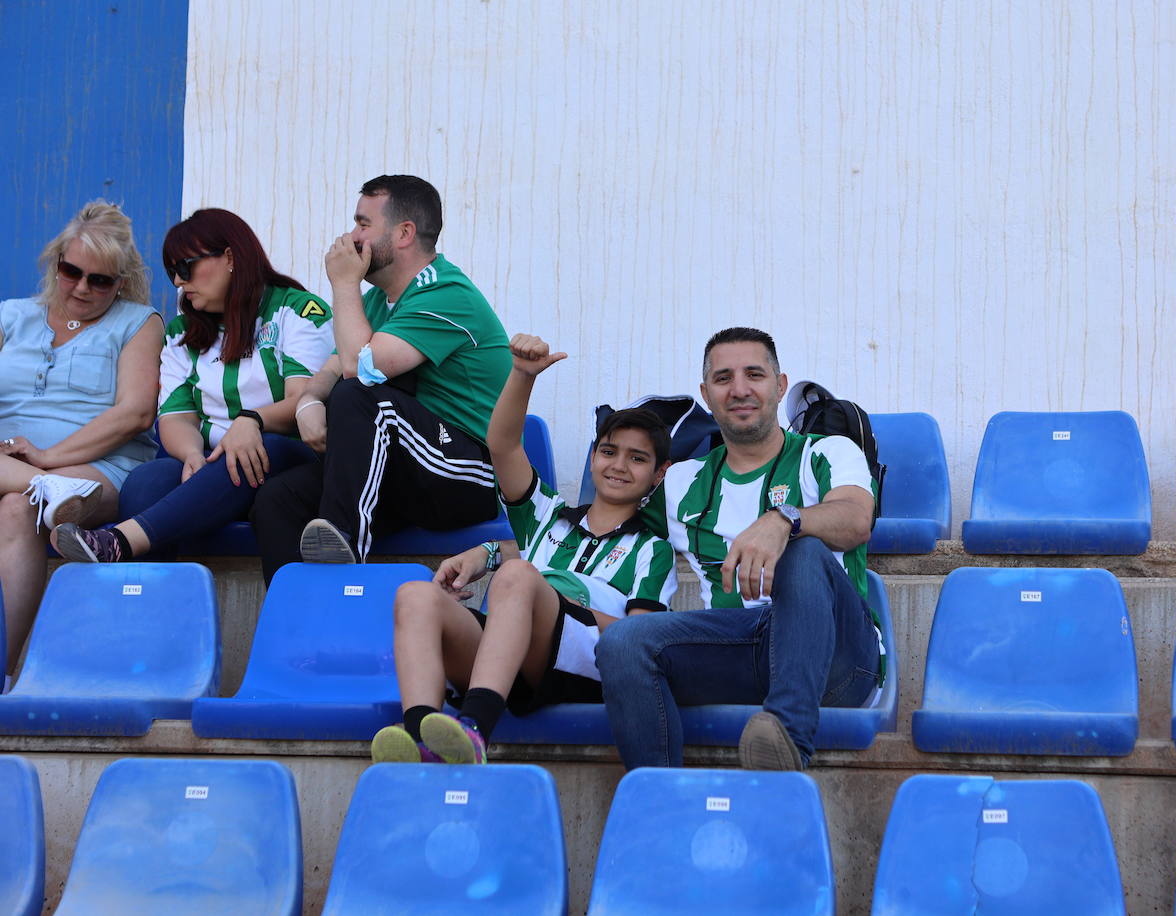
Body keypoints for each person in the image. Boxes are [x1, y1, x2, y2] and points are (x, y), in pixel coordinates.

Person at [370, 333, 677, 764]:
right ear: (593, 458)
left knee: (518, 576)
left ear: (659, 475)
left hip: (579, 668)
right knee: (414, 594)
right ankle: (423, 735)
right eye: (609, 451)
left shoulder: (652, 549)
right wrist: (521, 375)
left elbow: (643, 638)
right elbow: (503, 446)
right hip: (509, 657)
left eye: (637, 458)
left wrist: (562, 604)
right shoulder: (547, 515)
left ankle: (475, 729)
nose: (619, 466)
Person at [595, 327, 883, 770]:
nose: (740, 389)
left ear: (780, 385)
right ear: (706, 394)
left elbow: (856, 519)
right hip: (740, 646)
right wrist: (492, 554)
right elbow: (598, 531)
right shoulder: (680, 481)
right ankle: (659, 801)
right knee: (623, 642)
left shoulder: (827, 451)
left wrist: (784, 520)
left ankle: (785, 743)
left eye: (754, 374)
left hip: (838, 657)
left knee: (803, 553)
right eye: (724, 378)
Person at [251, 175, 510, 583]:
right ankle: (303, 631)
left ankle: (345, 545)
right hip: (401, 471)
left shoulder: (445, 292)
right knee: (278, 501)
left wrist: (343, 281)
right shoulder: (374, 300)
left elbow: (359, 368)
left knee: (360, 396)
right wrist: (309, 402)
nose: (351, 237)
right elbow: (333, 367)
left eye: (363, 224)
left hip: (464, 476)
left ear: (404, 232)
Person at [53, 208, 334, 564]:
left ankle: (120, 542)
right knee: (147, 480)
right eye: (172, 271)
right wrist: (191, 456)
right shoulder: (181, 332)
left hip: (289, 455)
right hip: (215, 463)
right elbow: (175, 417)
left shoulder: (297, 311)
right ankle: (155, 607)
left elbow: (304, 402)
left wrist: (252, 421)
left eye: (185, 268)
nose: (177, 282)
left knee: (260, 448)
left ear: (230, 257)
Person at [0, 201, 162, 675]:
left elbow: (135, 413)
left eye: (101, 280)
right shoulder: (11, 317)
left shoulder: (138, 322)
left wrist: (49, 457)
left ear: (121, 282)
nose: (82, 288)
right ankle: (39, 485)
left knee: (16, 504)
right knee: (26, 495)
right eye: (71, 271)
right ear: (55, 261)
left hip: (101, 468)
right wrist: (36, 471)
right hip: (21, 465)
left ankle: (3, 671)